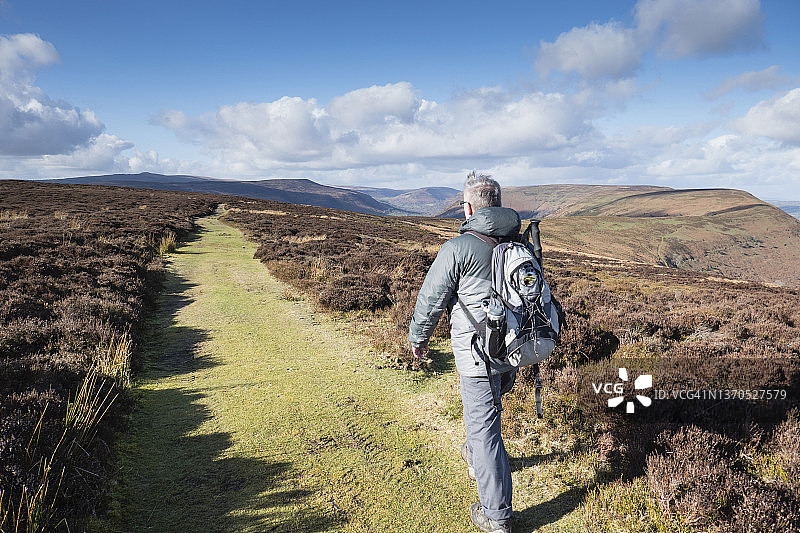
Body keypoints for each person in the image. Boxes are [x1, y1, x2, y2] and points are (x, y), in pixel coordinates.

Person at [409, 171, 520, 533]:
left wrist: (418, 339)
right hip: (515, 350)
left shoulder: (458, 248)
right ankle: (475, 455)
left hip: (477, 355)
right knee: (488, 413)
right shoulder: (521, 244)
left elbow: (431, 299)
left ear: (469, 207)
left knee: (484, 428)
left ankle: (496, 515)